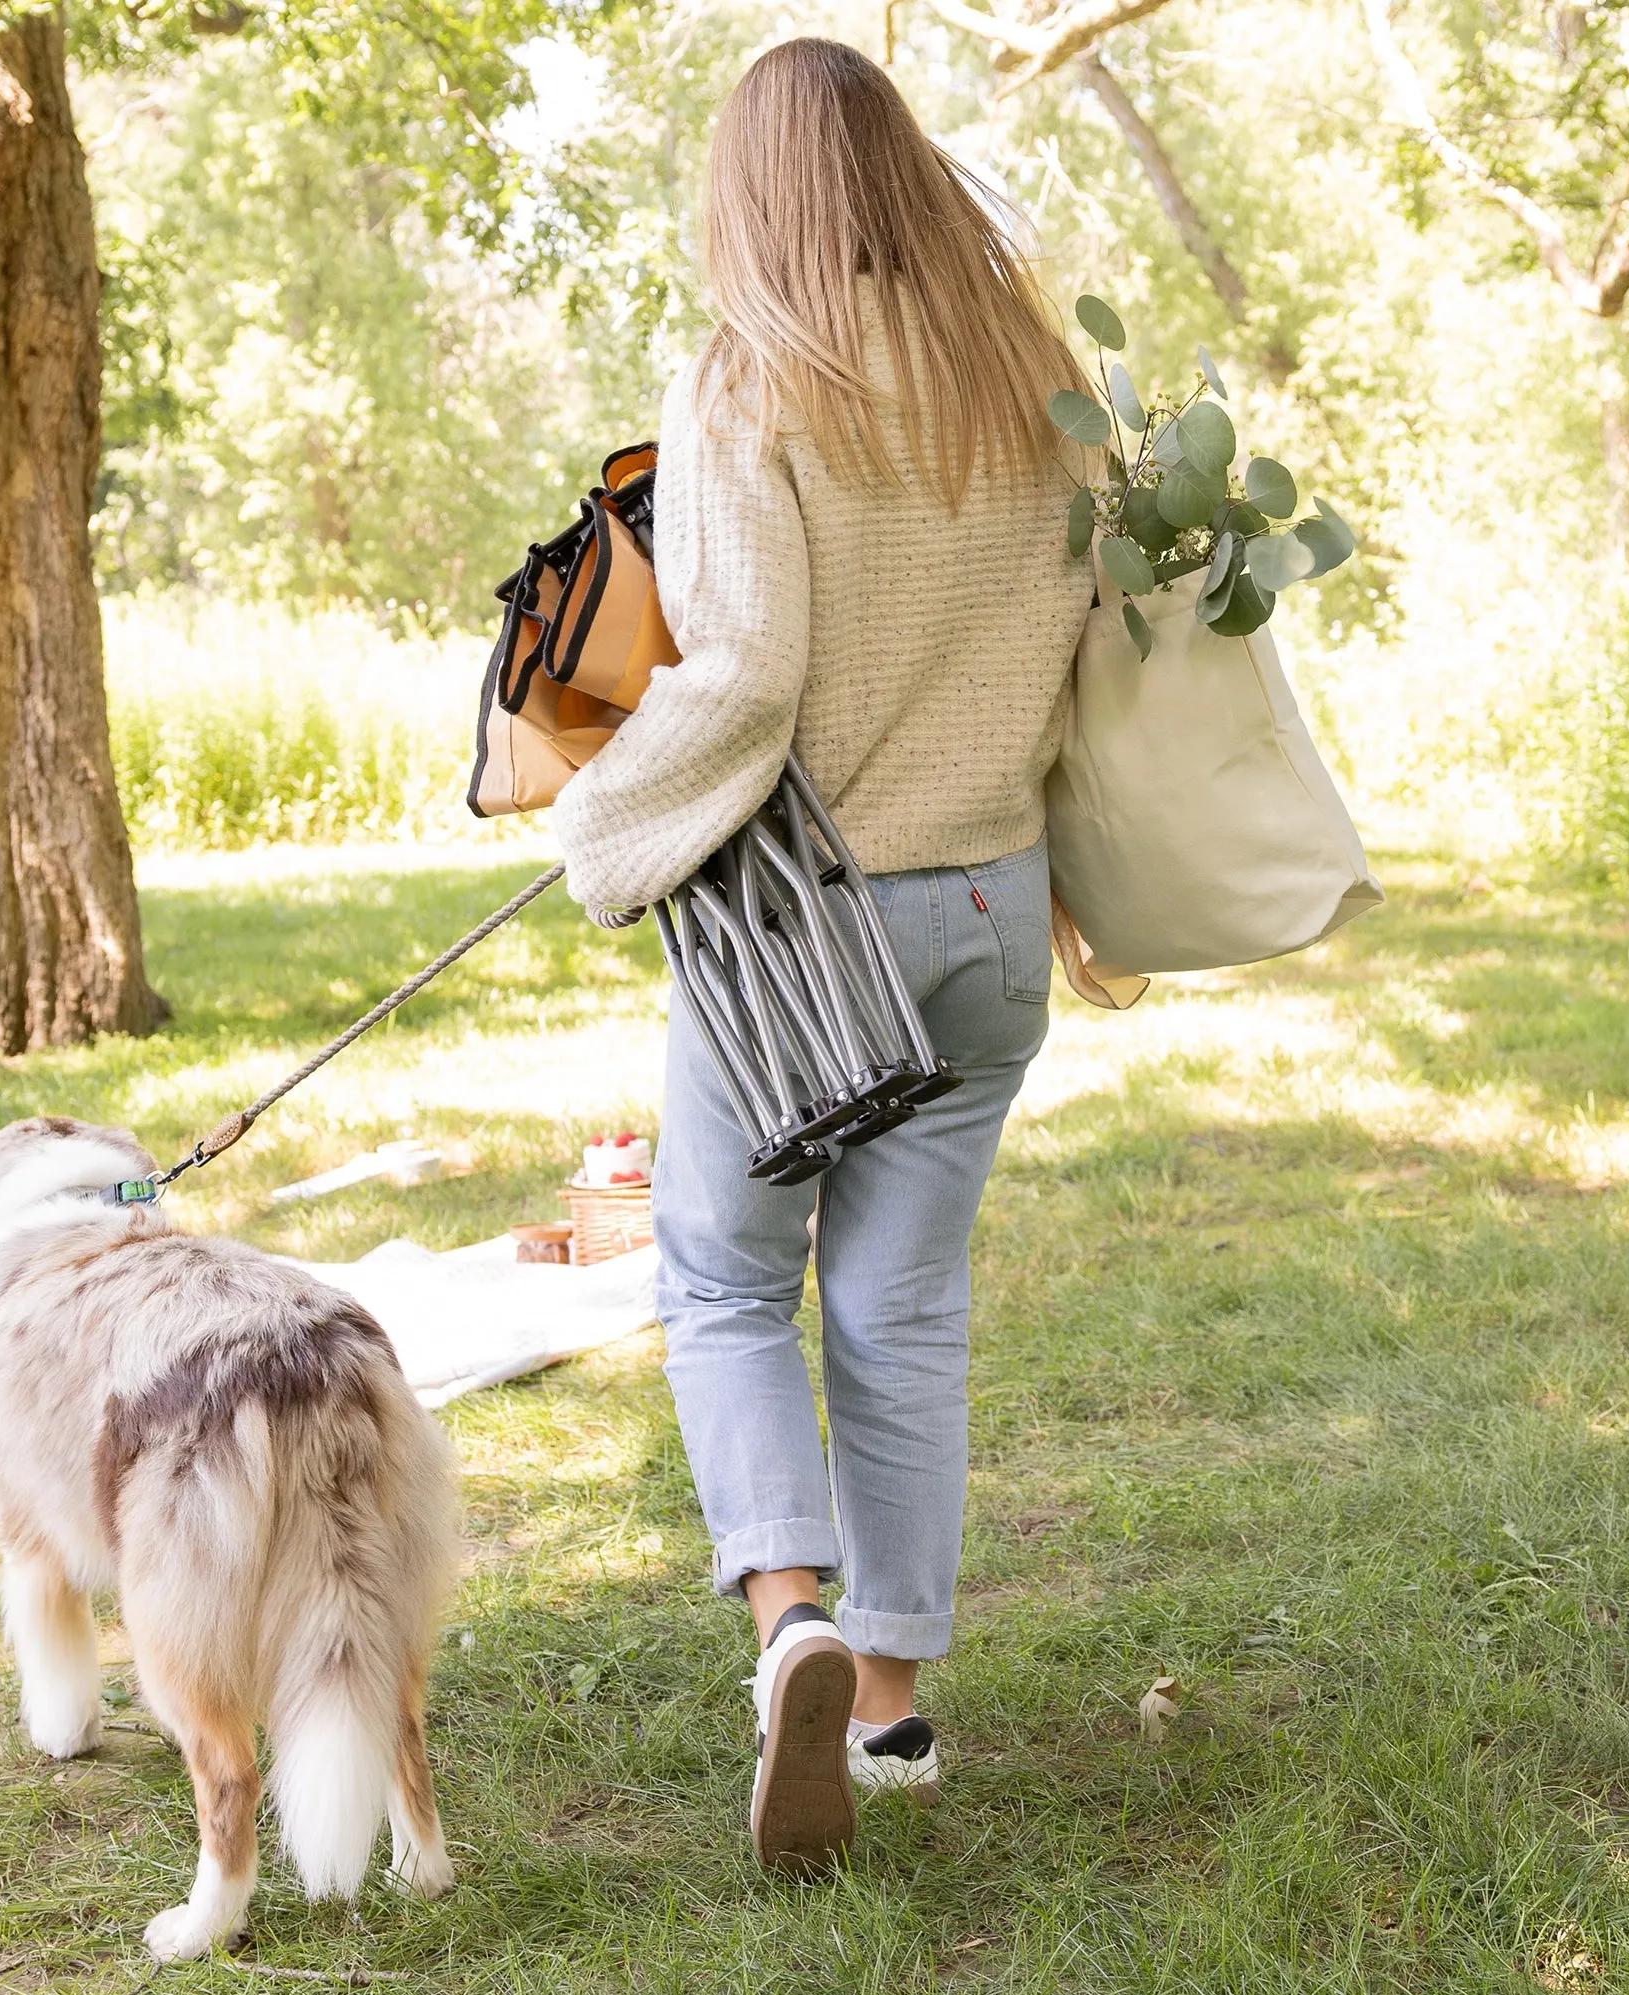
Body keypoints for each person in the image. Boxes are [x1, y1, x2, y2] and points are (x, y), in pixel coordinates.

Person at [553, 35, 1096, 1872]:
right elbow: (1089, 643)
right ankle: (892, 1710)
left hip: (811, 931)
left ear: (752, 195)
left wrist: (600, 823)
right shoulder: (1033, 382)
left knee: (717, 1276)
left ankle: (789, 1612)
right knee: (902, 1308)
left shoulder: (748, 389)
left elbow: (748, 674)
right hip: (991, 910)